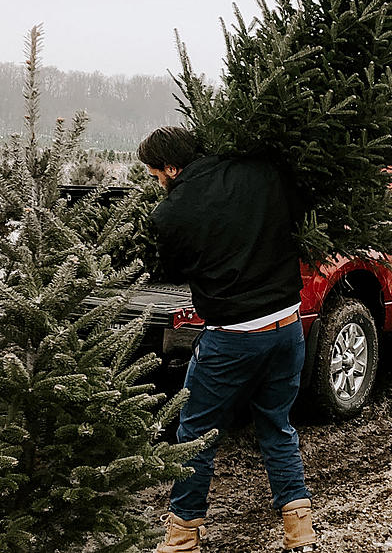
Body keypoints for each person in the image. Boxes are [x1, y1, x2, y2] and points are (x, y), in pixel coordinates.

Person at [138, 126, 317, 553]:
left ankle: (181, 540)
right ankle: (301, 534)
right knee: (277, 426)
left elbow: (176, 270)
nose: (156, 183)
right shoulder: (263, 171)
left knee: (196, 432)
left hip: (233, 337)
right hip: (288, 327)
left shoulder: (171, 213)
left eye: (154, 174)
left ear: (170, 167)